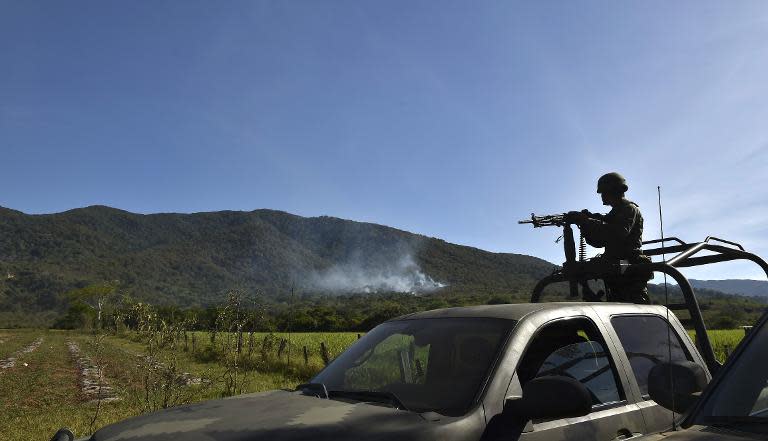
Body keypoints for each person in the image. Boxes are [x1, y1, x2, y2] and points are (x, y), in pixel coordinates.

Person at [568, 172, 651, 303]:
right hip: (617, 263)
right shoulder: (614, 213)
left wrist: (587, 221)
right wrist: (585, 223)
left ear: (612, 191)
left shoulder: (629, 209)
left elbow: (617, 234)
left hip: (628, 263)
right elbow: (598, 241)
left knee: (631, 304)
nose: (601, 196)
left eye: (603, 192)